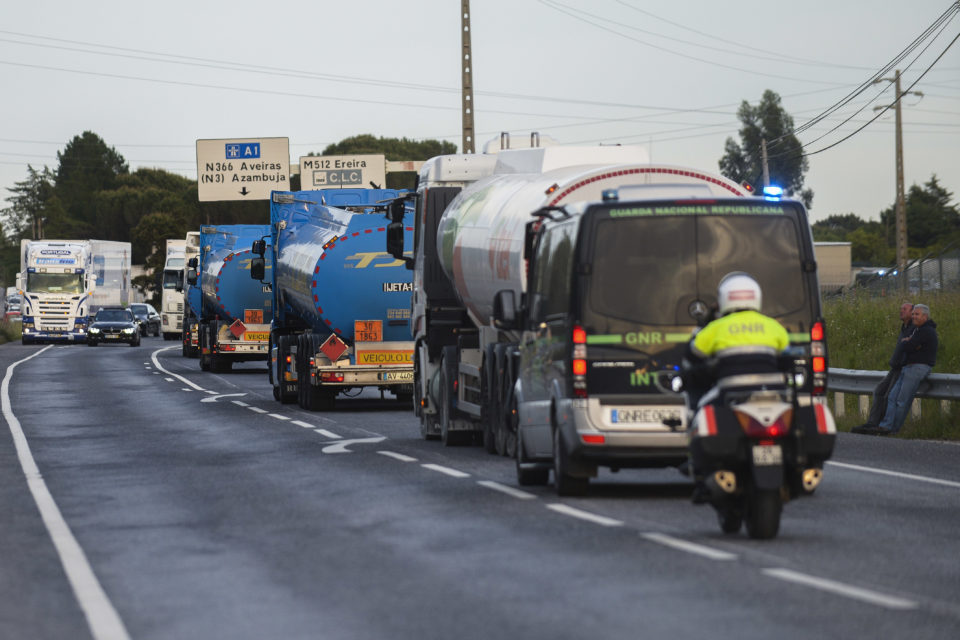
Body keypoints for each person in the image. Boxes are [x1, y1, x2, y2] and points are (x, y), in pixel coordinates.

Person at [683, 272, 790, 501]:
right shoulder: (772, 326)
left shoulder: (717, 327)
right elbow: (787, 357)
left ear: (724, 299)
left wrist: (706, 321)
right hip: (773, 394)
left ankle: (701, 476)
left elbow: (692, 355)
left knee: (699, 415)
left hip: (730, 393)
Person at [872, 303, 938, 436]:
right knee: (892, 397)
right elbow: (909, 346)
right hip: (908, 367)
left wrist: (908, 342)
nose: (914, 316)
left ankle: (893, 429)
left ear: (925, 316)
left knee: (902, 400)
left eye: (917, 314)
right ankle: (886, 425)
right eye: (913, 314)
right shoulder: (917, 330)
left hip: (917, 368)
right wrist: (909, 343)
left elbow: (908, 346)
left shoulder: (927, 331)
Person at [851, 302, 914, 434]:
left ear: (912, 313)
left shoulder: (913, 329)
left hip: (902, 368)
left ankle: (882, 425)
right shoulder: (904, 327)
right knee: (879, 391)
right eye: (900, 308)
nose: (901, 311)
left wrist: (902, 362)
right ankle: (872, 422)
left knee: (888, 395)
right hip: (894, 367)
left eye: (904, 309)